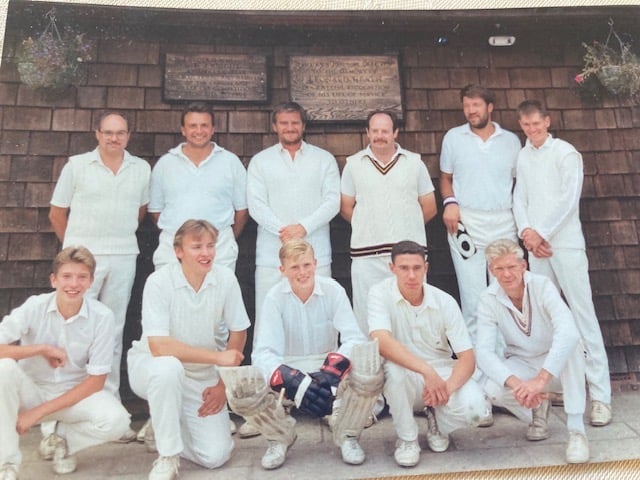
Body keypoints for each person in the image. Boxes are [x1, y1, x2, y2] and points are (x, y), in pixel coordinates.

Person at [221, 239, 383, 470]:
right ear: (282, 270)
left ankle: (347, 433)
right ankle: (279, 436)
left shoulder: (333, 290)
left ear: (316, 264)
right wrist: (290, 377)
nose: (302, 272)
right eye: (295, 267)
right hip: (290, 370)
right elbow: (264, 352)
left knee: (369, 369)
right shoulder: (274, 297)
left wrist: (332, 370)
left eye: (307, 265)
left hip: (326, 366)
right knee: (240, 390)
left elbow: (354, 339)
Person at [512, 99, 612, 427]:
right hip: (536, 250)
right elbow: (520, 198)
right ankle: (553, 391)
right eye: (526, 126)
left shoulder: (567, 153)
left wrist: (541, 234)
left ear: (548, 121)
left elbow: (568, 200)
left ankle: (600, 397)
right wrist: (527, 234)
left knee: (583, 316)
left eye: (536, 124)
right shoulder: (523, 156)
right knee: (545, 320)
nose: (532, 130)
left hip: (564, 247)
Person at [127, 220, 249, 480]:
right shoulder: (158, 282)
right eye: (196, 247)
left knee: (215, 457)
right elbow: (159, 346)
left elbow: (239, 331)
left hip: (201, 376)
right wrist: (217, 357)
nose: (206, 253)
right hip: (151, 366)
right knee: (168, 368)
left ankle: (162, 425)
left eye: (210, 246)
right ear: (178, 251)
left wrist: (221, 385)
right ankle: (168, 455)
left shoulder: (225, 279)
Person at [0, 246, 131, 479]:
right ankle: (7, 464)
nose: (74, 284)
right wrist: (40, 349)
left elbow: (96, 382)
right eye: (67, 276)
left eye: (82, 277)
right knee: (5, 368)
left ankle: (63, 441)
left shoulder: (102, 316)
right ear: (54, 280)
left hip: (73, 395)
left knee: (117, 421)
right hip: (32, 391)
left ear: (91, 281)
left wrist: (37, 414)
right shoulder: (35, 306)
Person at [49, 111, 150, 399]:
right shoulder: (77, 166)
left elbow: (139, 211)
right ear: (97, 134)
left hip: (123, 256)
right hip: (83, 262)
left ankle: (108, 400)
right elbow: (57, 213)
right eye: (108, 132)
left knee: (113, 330)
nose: (114, 138)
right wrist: (74, 253)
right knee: (73, 327)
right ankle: (65, 402)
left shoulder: (141, 168)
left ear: (128, 136)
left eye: (120, 133)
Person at [368, 240, 491, 468]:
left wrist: (445, 390)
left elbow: (467, 358)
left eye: (417, 268)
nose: (411, 275)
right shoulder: (379, 293)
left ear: (426, 267)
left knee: (477, 412)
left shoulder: (444, 301)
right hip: (407, 374)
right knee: (392, 370)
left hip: (442, 374)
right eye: (404, 268)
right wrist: (426, 371)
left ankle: (436, 419)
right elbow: (381, 341)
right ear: (392, 268)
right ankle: (407, 439)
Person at [476, 239, 589, 464]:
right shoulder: (487, 299)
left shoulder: (542, 285)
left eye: (511, 267)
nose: (506, 274)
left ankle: (577, 431)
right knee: (493, 389)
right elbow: (484, 352)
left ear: (523, 266)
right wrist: (520, 386)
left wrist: (540, 380)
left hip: (557, 362)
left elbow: (567, 332)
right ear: (491, 270)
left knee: (573, 347)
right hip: (524, 362)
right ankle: (537, 407)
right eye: (499, 268)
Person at [340, 110, 437, 334]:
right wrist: (372, 226)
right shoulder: (354, 164)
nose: (380, 135)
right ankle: (370, 365)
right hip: (366, 256)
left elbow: (429, 207)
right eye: (375, 131)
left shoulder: (414, 163)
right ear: (367, 132)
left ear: (395, 132)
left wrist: (406, 225)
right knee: (367, 316)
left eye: (385, 130)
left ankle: (413, 363)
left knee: (411, 313)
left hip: (408, 256)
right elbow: (346, 207)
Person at [439, 84, 522, 343]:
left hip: (504, 222)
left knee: (506, 289)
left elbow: (520, 183)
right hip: (466, 224)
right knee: (473, 296)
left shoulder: (511, 141)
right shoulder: (453, 137)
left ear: (489, 107)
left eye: (476, 105)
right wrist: (450, 203)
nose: (471, 111)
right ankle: (476, 366)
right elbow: (445, 178)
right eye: (466, 106)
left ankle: (507, 357)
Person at [247, 101, 340, 323]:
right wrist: (285, 232)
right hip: (272, 255)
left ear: (303, 126)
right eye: (284, 123)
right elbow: (256, 205)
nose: (290, 127)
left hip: (315, 253)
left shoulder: (323, 159)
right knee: (269, 317)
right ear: (275, 126)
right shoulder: (261, 161)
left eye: (295, 123)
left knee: (318, 317)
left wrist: (302, 228)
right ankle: (269, 359)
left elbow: (332, 201)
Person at [148, 102, 248, 271]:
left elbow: (242, 210)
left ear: (213, 129)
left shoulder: (230, 162)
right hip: (173, 250)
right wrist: (181, 239)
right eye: (193, 126)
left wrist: (220, 238)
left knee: (216, 297)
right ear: (183, 130)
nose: (199, 131)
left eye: (204, 125)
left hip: (219, 249)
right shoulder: (166, 164)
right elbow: (155, 210)